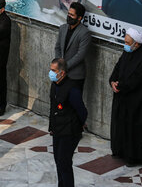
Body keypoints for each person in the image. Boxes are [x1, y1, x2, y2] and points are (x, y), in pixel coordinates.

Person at [109, 28, 142, 166]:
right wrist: (113, 81)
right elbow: (117, 68)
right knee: (120, 126)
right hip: (122, 96)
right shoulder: (127, 52)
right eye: (125, 42)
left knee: (133, 129)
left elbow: (137, 79)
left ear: (137, 44)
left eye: (128, 43)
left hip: (136, 100)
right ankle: (119, 151)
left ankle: (133, 157)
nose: (126, 45)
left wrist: (121, 85)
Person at [49, 58, 87, 187]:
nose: (51, 73)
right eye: (50, 69)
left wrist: (79, 124)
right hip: (57, 129)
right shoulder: (55, 85)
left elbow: (82, 111)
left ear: (62, 72)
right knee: (58, 161)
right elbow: (52, 107)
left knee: (64, 162)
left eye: (53, 70)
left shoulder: (72, 89)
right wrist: (51, 127)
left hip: (69, 131)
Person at [53, 2, 91, 90]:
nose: (69, 16)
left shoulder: (84, 33)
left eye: (72, 15)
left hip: (75, 76)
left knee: (72, 102)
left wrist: (65, 67)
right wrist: (59, 65)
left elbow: (80, 55)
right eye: (68, 14)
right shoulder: (63, 28)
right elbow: (57, 47)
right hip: (60, 73)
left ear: (79, 18)